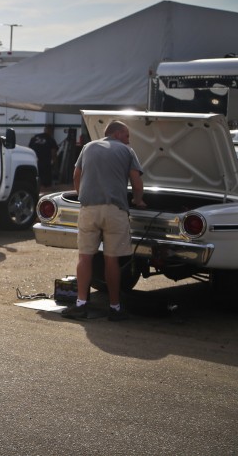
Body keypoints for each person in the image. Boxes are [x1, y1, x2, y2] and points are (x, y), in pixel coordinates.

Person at [62, 120, 145, 322]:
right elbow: (136, 181)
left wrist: (83, 195)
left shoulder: (88, 147)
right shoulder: (127, 151)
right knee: (111, 259)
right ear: (117, 134)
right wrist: (138, 200)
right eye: (126, 135)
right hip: (114, 210)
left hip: (88, 209)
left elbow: (76, 175)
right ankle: (115, 308)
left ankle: (81, 305)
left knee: (85, 257)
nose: (128, 140)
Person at [29, 125, 58, 191]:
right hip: (45, 164)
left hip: (34, 162)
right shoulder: (51, 139)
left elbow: (29, 150)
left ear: (44, 129)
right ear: (51, 131)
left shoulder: (35, 137)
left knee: (35, 179)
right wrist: (56, 166)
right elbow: (53, 154)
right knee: (46, 185)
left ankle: (37, 191)